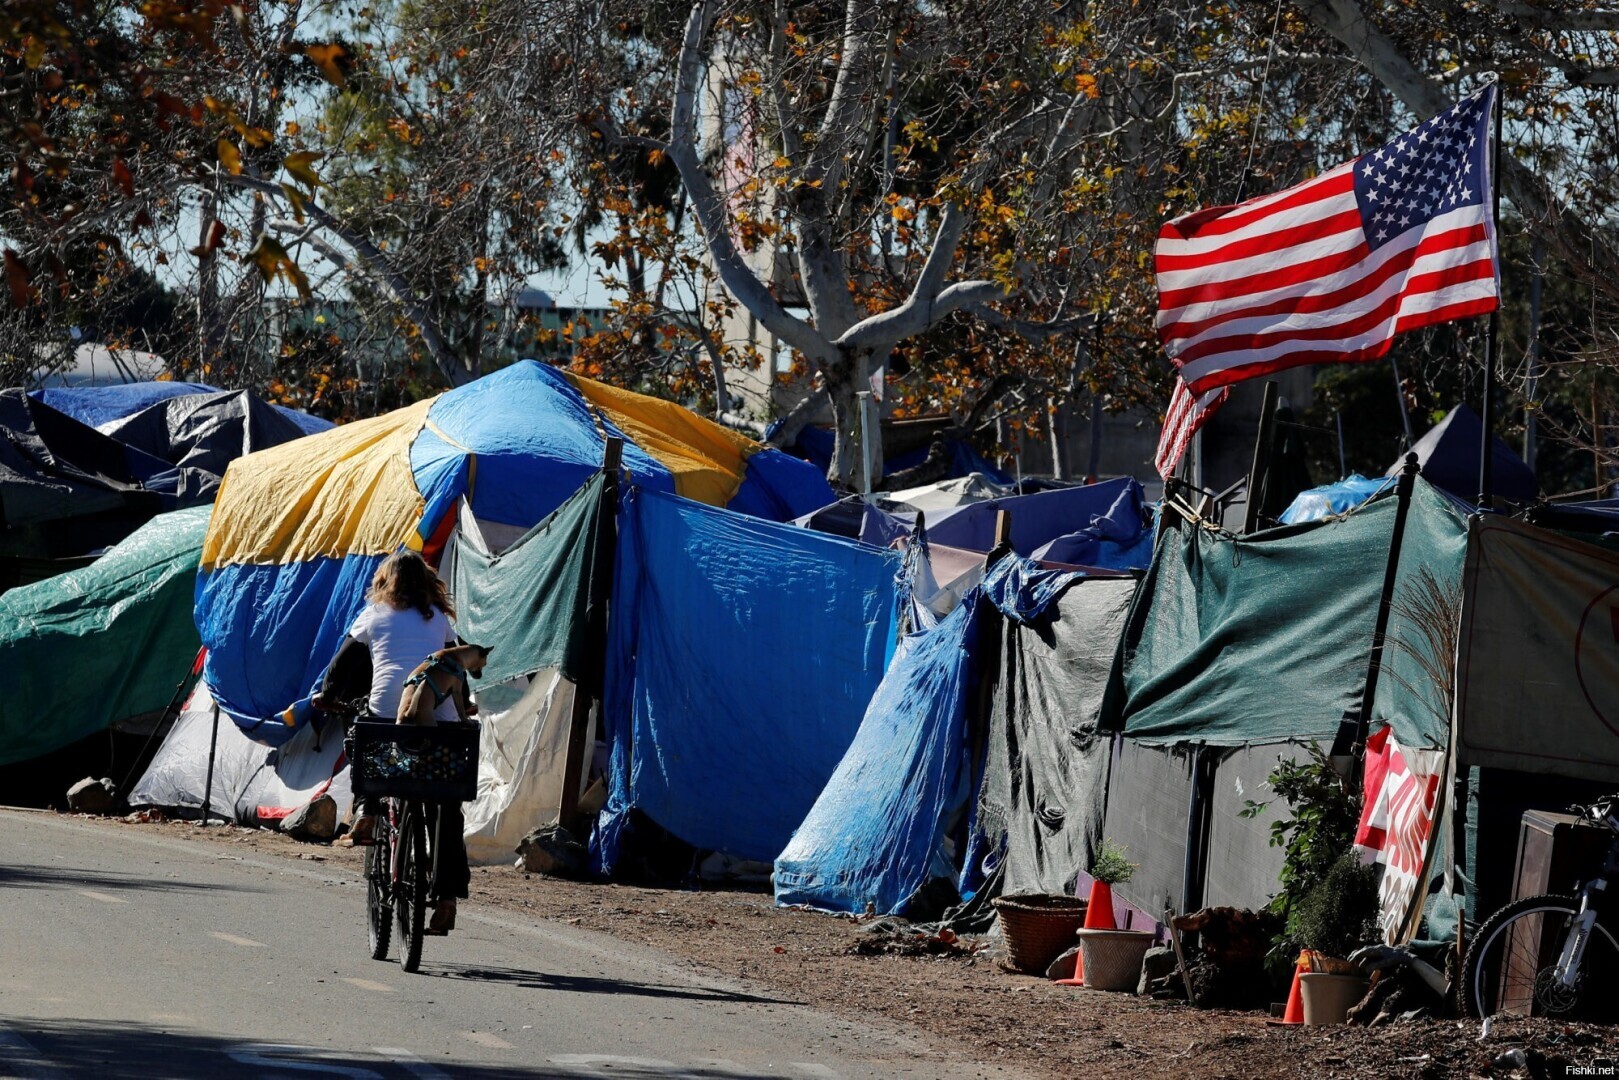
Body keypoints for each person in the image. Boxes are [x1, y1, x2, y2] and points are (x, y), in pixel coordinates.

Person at [316, 550, 473, 935]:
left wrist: (326, 694)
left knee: (362, 734)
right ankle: (448, 896)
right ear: (428, 585)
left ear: (385, 583)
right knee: (447, 808)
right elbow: (456, 666)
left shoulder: (374, 615)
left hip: (387, 720)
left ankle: (368, 808)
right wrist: (463, 702)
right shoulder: (439, 620)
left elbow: (341, 665)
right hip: (440, 727)